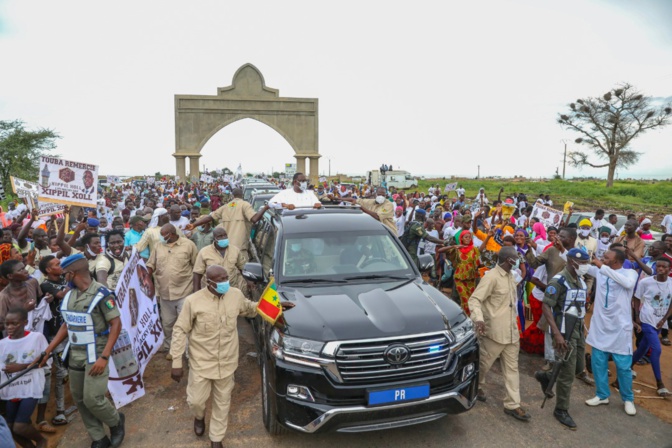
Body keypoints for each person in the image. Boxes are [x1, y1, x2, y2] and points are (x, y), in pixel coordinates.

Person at [170, 266, 278, 448]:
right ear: (208, 282)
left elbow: (249, 309)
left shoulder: (235, 295)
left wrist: (276, 307)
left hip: (227, 361)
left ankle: (216, 438)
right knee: (196, 401)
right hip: (201, 363)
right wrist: (176, 361)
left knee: (223, 401)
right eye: (220, 280)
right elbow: (180, 329)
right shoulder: (193, 301)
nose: (224, 282)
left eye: (226, 278)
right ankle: (199, 416)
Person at [41, 253, 125, 448]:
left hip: (97, 353)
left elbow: (116, 324)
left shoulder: (102, 294)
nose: (63, 277)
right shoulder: (70, 294)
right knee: (79, 398)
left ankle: (116, 421)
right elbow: (66, 325)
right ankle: (98, 437)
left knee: (93, 398)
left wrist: (105, 356)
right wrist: (48, 351)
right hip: (75, 353)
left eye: (65, 274)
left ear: (72, 273)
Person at [468, 246, 531, 422]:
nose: (518, 260)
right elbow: (474, 300)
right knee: (483, 365)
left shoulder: (511, 276)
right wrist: (478, 319)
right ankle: (476, 386)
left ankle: (513, 404)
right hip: (494, 333)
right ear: (507, 260)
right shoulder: (491, 277)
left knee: (512, 370)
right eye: (515, 258)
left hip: (511, 333)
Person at [534, 248, 591, 429]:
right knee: (567, 374)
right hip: (564, 331)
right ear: (571, 261)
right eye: (581, 263)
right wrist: (557, 333)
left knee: (578, 368)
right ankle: (561, 409)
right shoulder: (558, 281)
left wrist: (583, 325)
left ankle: (547, 376)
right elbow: (546, 306)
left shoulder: (581, 281)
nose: (585, 266)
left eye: (586, 263)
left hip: (578, 330)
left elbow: (578, 306)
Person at [584, 249, 639, 416]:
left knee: (623, 367)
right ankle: (602, 395)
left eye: (606, 258)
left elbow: (628, 284)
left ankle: (628, 399)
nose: (602, 259)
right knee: (598, 363)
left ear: (616, 262)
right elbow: (580, 266)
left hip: (620, 329)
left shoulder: (630, 273)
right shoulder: (599, 271)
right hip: (600, 326)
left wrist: (602, 267)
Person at [146, 224, 198, 359]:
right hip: (164, 293)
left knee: (184, 324)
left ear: (173, 234)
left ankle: (185, 352)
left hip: (184, 291)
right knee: (167, 324)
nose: (162, 238)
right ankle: (170, 348)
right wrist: (147, 277)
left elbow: (197, 266)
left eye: (165, 235)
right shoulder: (158, 246)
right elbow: (151, 264)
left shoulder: (188, 245)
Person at [0, 307, 49, 448]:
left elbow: (45, 361)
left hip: (30, 386)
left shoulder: (36, 338)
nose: (9, 327)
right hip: (11, 389)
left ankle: (41, 440)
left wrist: (20, 367)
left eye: (14, 323)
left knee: (20, 426)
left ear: (24, 322)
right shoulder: (2, 344)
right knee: (10, 428)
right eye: (7, 323)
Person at [632, 257, 672, 396]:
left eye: (664, 267)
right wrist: (637, 316)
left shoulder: (671, 283)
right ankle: (660, 383)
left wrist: (664, 319)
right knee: (656, 349)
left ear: (669, 269)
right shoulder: (645, 282)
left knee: (643, 348)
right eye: (658, 266)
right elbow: (636, 298)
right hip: (647, 319)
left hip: (660, 321)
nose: (660, 269)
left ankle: (627, 366)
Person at [38, 255, 70, 427]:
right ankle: (60, 411)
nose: (61, 265)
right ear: (49, 270)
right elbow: (62, 295)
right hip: (55, 335)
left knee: (71, 370)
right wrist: (73, 281)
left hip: (72, 331)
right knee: (61, 374)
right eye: (57, 264)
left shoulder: (66, 277)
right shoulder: (45, 284)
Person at [188, 188, 266, 254]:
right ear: (242, 195)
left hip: (226, 248)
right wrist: (266, 207)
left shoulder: (225, 207)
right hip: (240, 248)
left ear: (232, 196)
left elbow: (210, 217)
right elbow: (254, 219)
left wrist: (194, 225)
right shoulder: (245, 205)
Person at [193, 227, 248, 296]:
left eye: (225, 235)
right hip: (212, 291)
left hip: (231, 289)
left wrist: (249, 283)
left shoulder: (235, 250)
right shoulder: (204, 252)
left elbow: (243, 268)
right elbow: (197, 273)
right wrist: (196, 293)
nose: (223, 238)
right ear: (214, 239)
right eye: (220, 236)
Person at [438, 230, 480, 315]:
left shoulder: (474, 249)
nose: (468, 239)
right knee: (464, 299)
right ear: (462, 238)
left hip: (471, 278)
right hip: (459, 278)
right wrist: (453, 246)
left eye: (469, 237)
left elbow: (478, 263)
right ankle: (468, 317)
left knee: (471, 299)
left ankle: (470, 316)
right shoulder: (457, 249)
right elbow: (440, 250)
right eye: (466, 237)